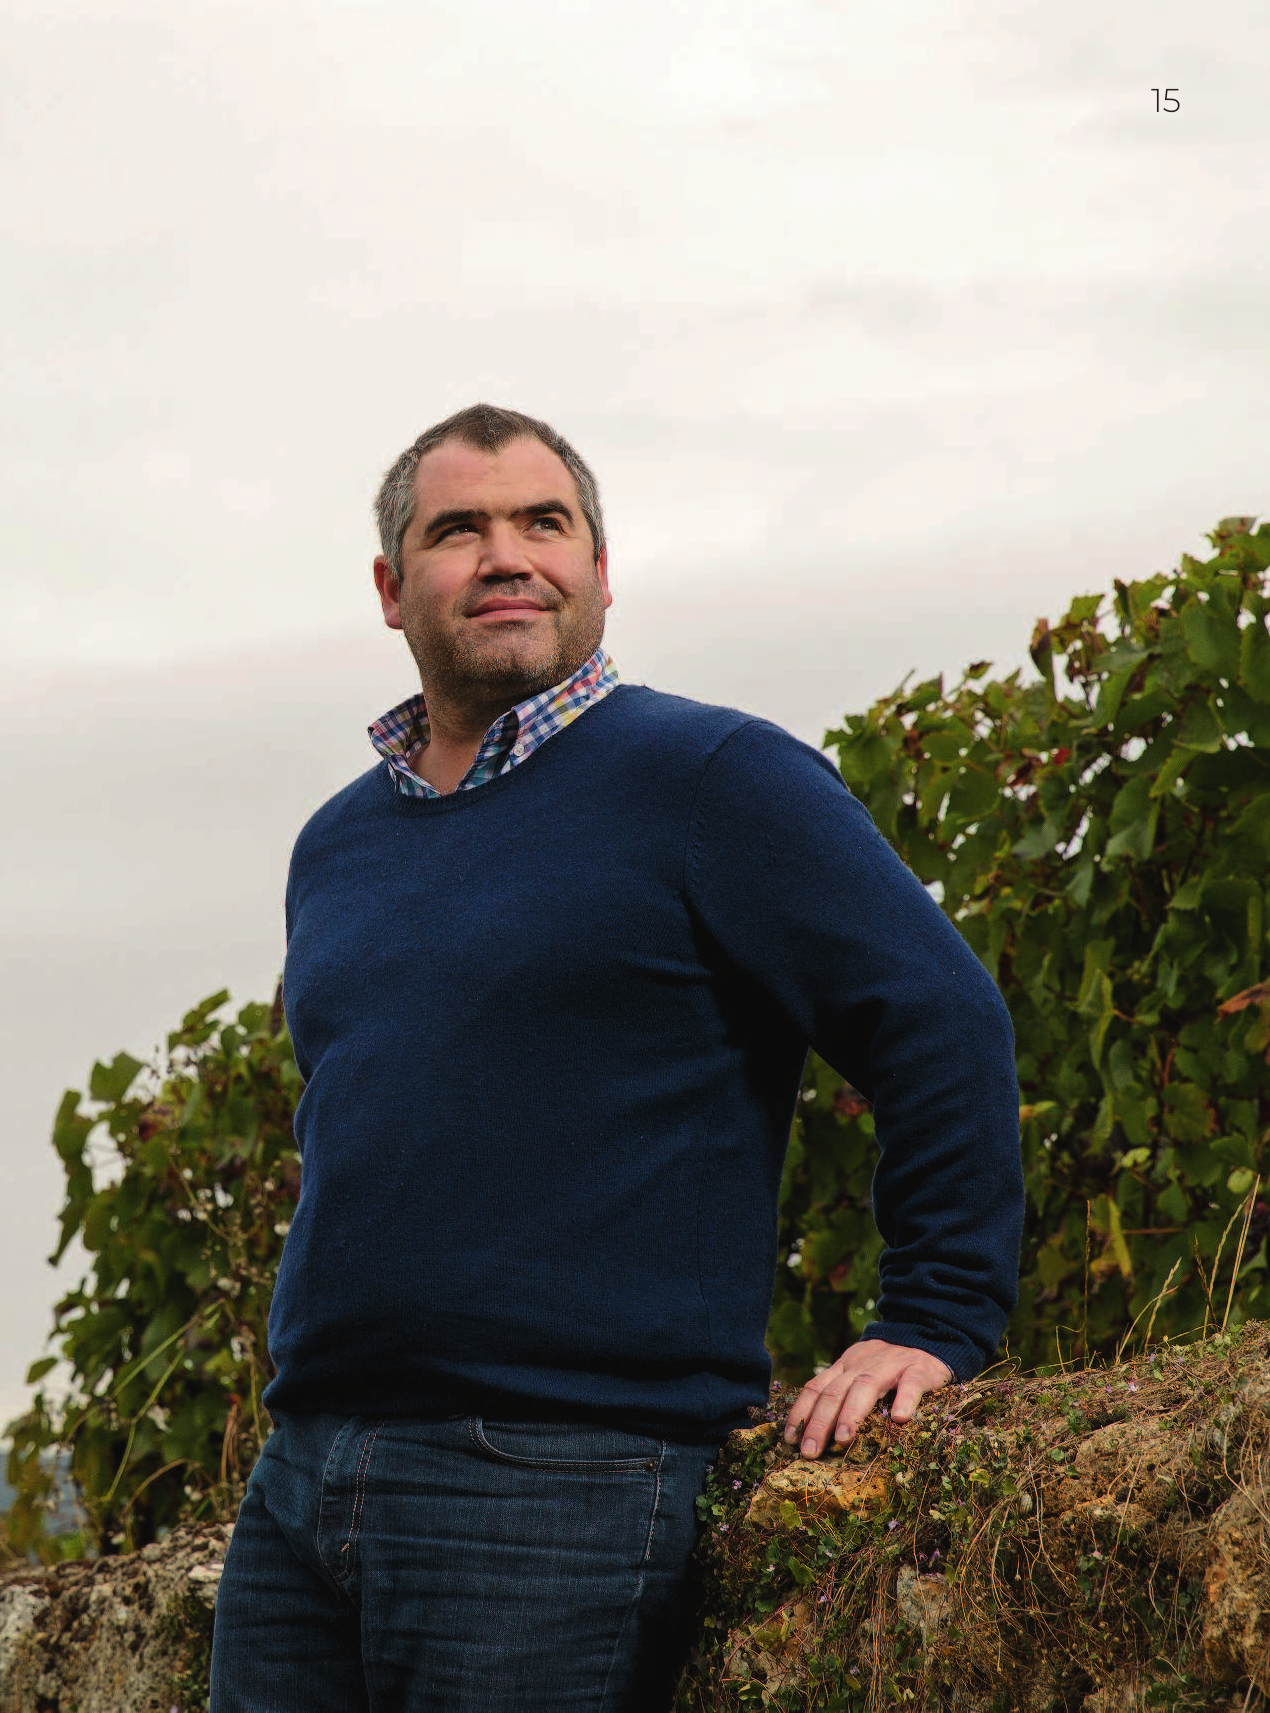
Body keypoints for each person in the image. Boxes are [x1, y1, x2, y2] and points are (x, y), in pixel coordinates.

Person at [209, 403, 1023, 1712]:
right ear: (390, 588)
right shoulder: (338, 844)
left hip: (556, 1482)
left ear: (598, 567)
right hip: (303, 1474)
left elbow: (935, 1013)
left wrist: (934, 1317)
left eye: (544, 522)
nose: (506, 555)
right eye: (457, 530)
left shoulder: (712, 776)